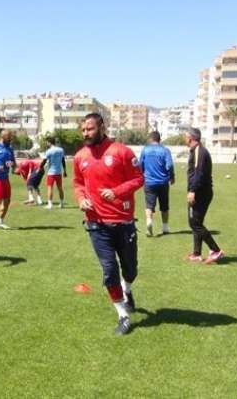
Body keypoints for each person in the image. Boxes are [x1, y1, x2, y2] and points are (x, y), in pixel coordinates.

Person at [73, 113, 144, 335]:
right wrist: (81, 198)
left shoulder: (121, 151)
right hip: (96, 224)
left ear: (102, 127)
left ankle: (127, 288)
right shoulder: (80, 156)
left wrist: (116, 192)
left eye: (90, 129)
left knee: (130, 269)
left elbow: (138, 178)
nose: (86, 133)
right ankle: (123, 315)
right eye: (83, 130)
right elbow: (77, 183)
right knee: (109, 269)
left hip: (123, 222)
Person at [185, 128, 224, 264]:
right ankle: (197, 253)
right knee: (196, 223)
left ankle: (215, 250)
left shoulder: (199, 152)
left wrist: (192, 190)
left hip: (201, 193)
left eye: (186, 136)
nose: (185, 139)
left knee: (194, 223)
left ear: (191, 138)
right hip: (200, 192)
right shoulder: (197, 150)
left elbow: (199, 173)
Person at [139, 131, 175, 237]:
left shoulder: (145, 150)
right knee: (164, 206)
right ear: (159, 139)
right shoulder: (165, 150)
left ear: (150, 139)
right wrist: (172, 177)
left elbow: (140, 165)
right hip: (163, 182)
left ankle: (149, 221)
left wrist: (141, 176)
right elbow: (169, 165)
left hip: (149, 182)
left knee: (149, 205)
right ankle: (165, 228)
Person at [41, 136, 68, 209]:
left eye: (47, 142)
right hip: (59, 172)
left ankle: (50, 205)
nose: (47, 143)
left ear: (49, 142)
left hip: (51, 173)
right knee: (60, 188)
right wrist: (65, 171)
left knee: (50, 188)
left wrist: (40, 167)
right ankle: (62, 203)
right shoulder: (61, 150)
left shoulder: (49, 151)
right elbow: (63, 161)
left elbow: (44, 161)